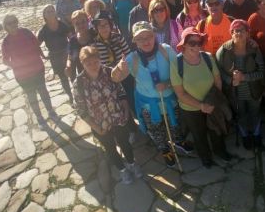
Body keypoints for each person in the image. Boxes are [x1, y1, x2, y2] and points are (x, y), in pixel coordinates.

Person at [111, 21, 190, 168]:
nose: (146, 41)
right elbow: (115, 78)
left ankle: (179, 142)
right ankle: (165, 149)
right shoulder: (132, 59)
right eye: (141, 38)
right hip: (148, 105)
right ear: (135, 41)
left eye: (149, 36)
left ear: (154, 36)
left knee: (175, 123)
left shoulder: (166, 50)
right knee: (156, 129)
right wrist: (118, 69)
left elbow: (180, 73)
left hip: (169, 100)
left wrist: (166, 84)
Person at [74, 46, 142, 184]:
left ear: (99, 60)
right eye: (88, 63)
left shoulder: (110, 72)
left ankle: (131, 163)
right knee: (110, 148)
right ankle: (122, 170)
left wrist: (126, 112)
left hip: (118, 118)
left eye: (95, 62)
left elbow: (121, 92)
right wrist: (96, 127)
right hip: (100, 124)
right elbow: (81, 110)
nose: (93, 66)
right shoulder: (79, 83)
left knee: (125, 143)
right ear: (82, 64)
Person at [171, 27, 231, 167]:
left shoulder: (208, 57)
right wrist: (201, 106)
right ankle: (205, 156)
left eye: (199, 42)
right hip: (190, 108)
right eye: (192, 43)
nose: (197, 46)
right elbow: (180, 93)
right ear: (184, 43)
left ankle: (219, 151)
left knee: (216, 129)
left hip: (211, 103)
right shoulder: (176, 63)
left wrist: (212, 101)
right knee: (199, 134)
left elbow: (217, 80)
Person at [215, 20, 265, 149]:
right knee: (240, 114)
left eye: (242, 30)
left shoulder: (254, 49)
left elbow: (262, 71)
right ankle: (244, 135)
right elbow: (218, 71)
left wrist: (244, 77)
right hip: (234, 92)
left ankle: (256, 133)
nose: (238, 33)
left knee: (255, 112)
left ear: (248, 33)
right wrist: (231, 80)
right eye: (235, 31)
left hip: (254, 90)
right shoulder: (223, 50)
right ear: (231, 33)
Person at [1, 14, 55, 127]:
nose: (13, 25)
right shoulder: (6, 42)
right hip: (23, 75)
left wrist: (43, 56)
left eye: (14, 21)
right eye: (9, 23)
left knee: (43, 91)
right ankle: (40, 118)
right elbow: (5, 60)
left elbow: (36, 46)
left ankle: (51, 112)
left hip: (38, 69)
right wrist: (16, 66)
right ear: (5, 26)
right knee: (32, 96)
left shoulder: (26, 32)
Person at [38, 4, 73, 100]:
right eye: (48, 11)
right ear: (44, 15)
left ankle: (78, 94)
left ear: (55, 12)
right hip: (54, 57)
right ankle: (70, 96)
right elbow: (37, 44)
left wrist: (71, 50)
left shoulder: (62, 24)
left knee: (72, 74)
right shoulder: (43, 30)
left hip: (66, 54)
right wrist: (43, 56)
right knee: (63, 78)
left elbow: (71, 38)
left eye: (52, 10)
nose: (50, 13)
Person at [66, 10, 94, 78]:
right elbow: (70, 57)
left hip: (101, 74)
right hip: (84, 77)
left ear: (88, 21)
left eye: (83, 22)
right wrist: (68, 66)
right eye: (77, 23)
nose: (81, 25)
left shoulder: (95, 34)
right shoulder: (72, 41)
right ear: (73, 25)